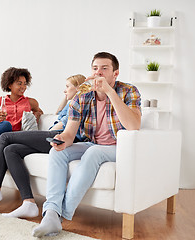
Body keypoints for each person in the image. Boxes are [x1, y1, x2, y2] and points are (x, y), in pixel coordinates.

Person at [32, 52, 142, 237]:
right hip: (93, 144)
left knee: (94, 153)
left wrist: (109, 92)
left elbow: (134, 126)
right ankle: (51, 214)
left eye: (104, 68)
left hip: (119, 148)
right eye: (95, 68)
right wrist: (62, 141)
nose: (98, 72)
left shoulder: (128, 91)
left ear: (115, 74)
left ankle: (60, 215)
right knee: (57, 153)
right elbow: (70, 133)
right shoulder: (83, 94)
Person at [0, 74, 87, 218]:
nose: (64, 90)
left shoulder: (82, 103)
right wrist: (69, 95)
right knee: (10, 150)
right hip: (54, 136)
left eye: (67, 87)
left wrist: (45, 133)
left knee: (5, 137)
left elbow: (65, 126)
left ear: (78, 88)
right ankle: (28, 203)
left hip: (65, 138)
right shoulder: (71, 103)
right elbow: (58, 114)